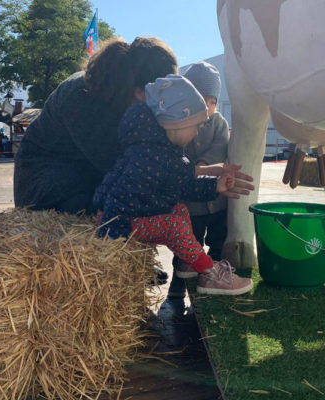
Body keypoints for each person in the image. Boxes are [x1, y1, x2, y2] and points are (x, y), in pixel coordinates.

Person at [94, 75, 254, 296]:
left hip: (123, 215)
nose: (197, 132)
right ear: (175, 123)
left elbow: (179, 185)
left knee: (179, 210)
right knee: (172, 225)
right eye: (195, 126)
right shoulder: (154, 157)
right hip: (119, 222)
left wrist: (214, 185)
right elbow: (177, 186)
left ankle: (189, 260)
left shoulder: (157, 149)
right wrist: (110, 233)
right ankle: (209, 273)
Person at [14, 37, 180, 213]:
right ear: (140, 91)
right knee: (118, 210)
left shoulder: (118, 92)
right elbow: (126, 167)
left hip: (82, 174)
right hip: (45, 186)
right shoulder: (82, 99)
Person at [167, 61, 231, 298]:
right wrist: (193, 169)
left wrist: (204, 164)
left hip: (216, 199)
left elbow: (221, 145)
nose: (209, 106)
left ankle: (213, 275)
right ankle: (178, 284)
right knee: (186, 244)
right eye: (203, 99)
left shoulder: (219, 123)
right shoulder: (177, 122)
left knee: (218, 239)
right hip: (189, 203)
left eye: (213, 101)